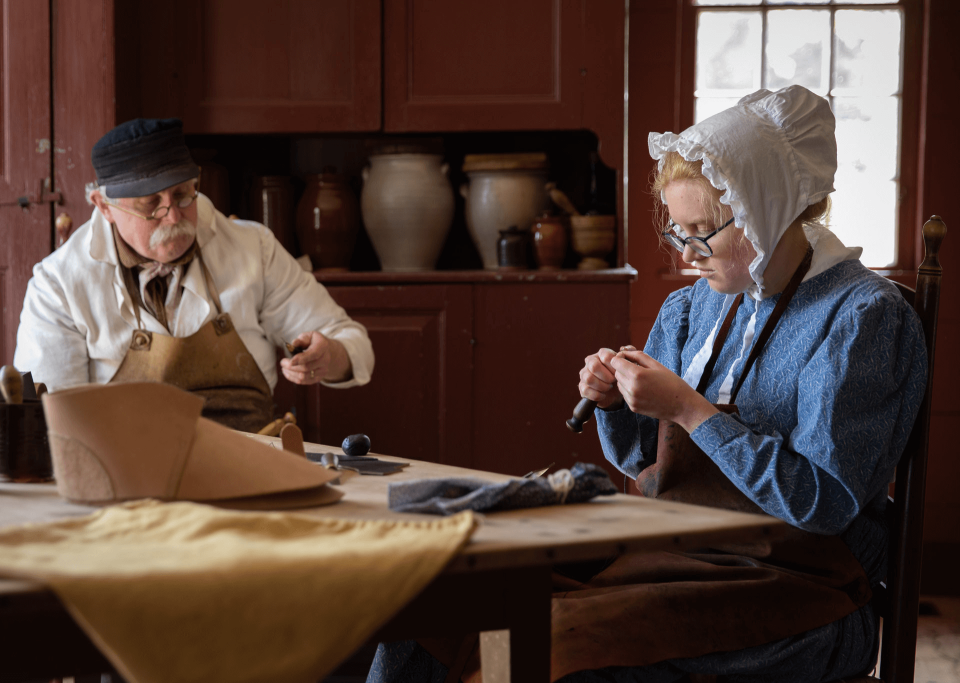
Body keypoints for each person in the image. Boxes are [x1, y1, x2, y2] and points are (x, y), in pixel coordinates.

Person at [366, 86, 927, 683]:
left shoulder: (862, 319)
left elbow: (823, 503)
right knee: (443, 601)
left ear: (768, 210)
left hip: (799, 594)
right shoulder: (692, 309)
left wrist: (690, 411)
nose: (689, 255)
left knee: (542, 646)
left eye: (701, 232)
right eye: (678, 233)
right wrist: (616, 405)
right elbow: (644, 464)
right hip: (673, 555)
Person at [14, 118, 374, 433]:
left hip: (253, 464)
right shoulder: (59, 284)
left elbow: (354, 344)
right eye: (150, 204)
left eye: (183, 194)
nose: (173, 217)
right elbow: (52, 425)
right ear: (104, 207)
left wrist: (330, 357)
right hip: (127, 478)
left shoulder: (253, 249)